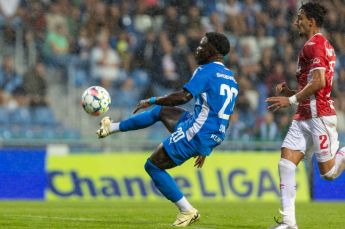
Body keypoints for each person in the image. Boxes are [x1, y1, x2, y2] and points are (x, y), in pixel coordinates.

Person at [97, 32, 238, 227]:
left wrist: (152, 99)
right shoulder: (231, 78)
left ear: (213, 50)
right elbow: (224, 116)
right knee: (161, 112)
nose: (198, 48)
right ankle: (110, 127)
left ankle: (186, 209)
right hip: (208, 131)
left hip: (197, 131)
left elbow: (183, 97)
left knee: (153, 166)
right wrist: (208, 146)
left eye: (202, 44)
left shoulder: (206, 70)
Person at [266, 2, 345, 229]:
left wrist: (290, 100)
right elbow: (314, 84)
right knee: (286, 163)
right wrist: (293, 93)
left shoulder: (315, 45)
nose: (296, 22)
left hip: (319, 116)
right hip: (303, 116)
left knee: (329, 173)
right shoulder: (316, 45)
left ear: (311, 21)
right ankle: (289, 223)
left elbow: (319, 82)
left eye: (300, 18)